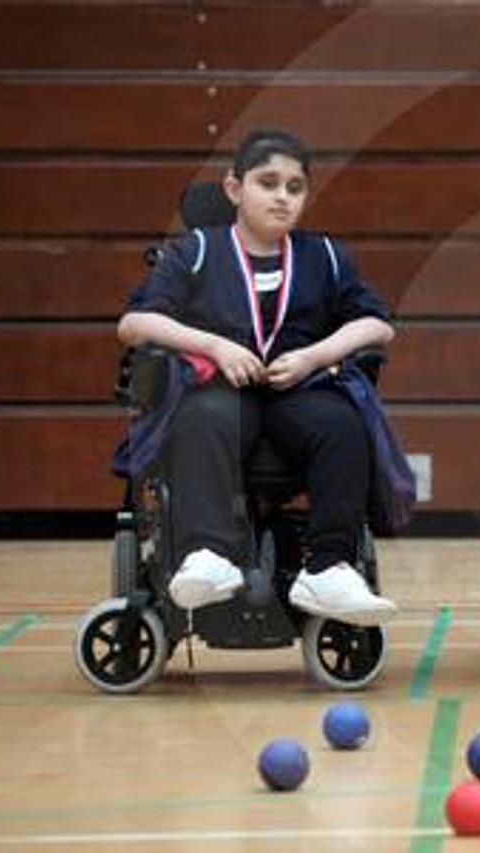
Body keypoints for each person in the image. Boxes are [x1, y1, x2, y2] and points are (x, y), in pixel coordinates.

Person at [118, 128, 400, 626]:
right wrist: (212, 345)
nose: (282, 196)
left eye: (295, 187)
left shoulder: (325, 256)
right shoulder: (196, 250)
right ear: (234, 189)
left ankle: (329, 567)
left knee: (342, 424)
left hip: (298, 391)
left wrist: (317, 355)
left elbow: (377, 323)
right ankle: (208, 555)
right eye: (268, 183)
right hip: (223, 394)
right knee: (204, 416)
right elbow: (135, 324)